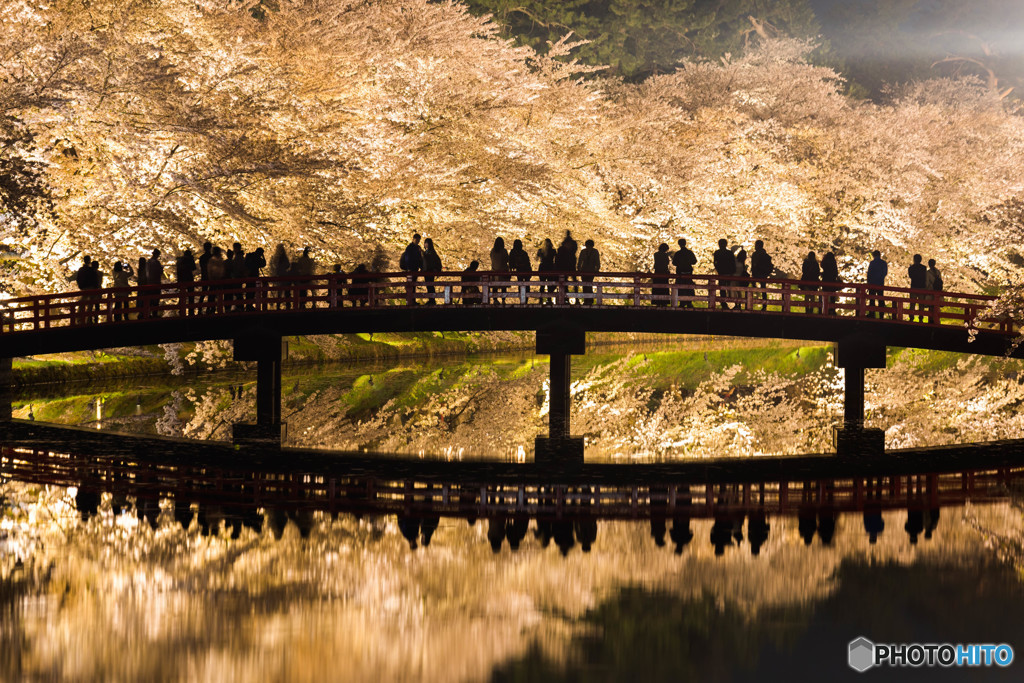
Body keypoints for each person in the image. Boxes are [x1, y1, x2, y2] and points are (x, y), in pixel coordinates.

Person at [399, 233, 424, 305]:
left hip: (415, 269)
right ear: (413, 239)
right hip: (411, 269)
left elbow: (419, 259)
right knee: (410, 285)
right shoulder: (409, 248)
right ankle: (410, 300)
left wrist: (421, 267)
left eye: (418, 240)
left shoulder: (417, 248)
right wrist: (409, 268)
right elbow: (408, 258)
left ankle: (412, 300)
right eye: (417, 240)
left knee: (413, 285)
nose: (417, 241)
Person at [672, 238, 697, 308]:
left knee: (680, 287)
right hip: (688, 272)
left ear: (679, 244)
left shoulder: (678, 253)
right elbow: (694, 261)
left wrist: (680, 263)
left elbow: (674, 263)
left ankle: (682, 302)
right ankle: (689, 302)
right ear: (685, 243)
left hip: (680, 272)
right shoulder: (689, 252)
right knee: (689, 287)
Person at [712, 238, 736, 309]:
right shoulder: (729, 253)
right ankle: (735, 303)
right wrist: (732, 272)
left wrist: (718, 270)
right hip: (728, 273)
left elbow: (715, 263)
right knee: (729, 288)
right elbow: (733, 263)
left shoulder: (717, 253)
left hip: (721, 273)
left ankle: (723, 303)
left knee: (722, 288)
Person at [749, 240, 773, 309]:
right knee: (763, 289)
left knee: (752, 289)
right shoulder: (765, 254)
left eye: (755, 245)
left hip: (757, 274)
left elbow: (754, 265)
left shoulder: (756, 254)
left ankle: (749, 305)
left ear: (758, 245)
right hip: (764, 274)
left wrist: (753, 274)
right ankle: (764, 305)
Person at [577, 239, 600, 304]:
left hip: (585, 270)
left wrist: (579, 269)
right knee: (589, 284)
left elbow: (580, 262)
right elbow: (597, 262)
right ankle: (589, 299)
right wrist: (597, 269)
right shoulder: (595, 252)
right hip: (590, 270)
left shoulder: (583, 251)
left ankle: (587, 299)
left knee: (586, 285)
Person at [556, 230, 577, 302]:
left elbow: (558, 257)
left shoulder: (562, 247)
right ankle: (576, 298)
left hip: (564, 265)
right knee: (574, 281)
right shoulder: (574, 245)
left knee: (564, 281)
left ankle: (565, 298)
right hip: (571, 264)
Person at [175, 248, 198, 315]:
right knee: (191, 295)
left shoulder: (179, 260)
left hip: (181, 280)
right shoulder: (189, 259)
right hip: (189, 279)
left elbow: (178, 270)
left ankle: (181, 310)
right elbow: (194, 268)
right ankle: (191, 311)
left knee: (182, 296)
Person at [866, 250, 888, 318]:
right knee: (880, 299)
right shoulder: (883, 263)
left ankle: (872, 314)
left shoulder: (872, 263)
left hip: (872, 283)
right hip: (880, 283)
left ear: (873, 255)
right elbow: (885, 273)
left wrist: (869, 282)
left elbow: (869, 274)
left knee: (872, 299)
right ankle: (881, 315)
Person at [509, 238, 532, 303]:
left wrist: (513, 267)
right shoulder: (524, 253)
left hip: (520, 271)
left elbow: (511, 262)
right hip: (527, 270)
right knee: (527, 285)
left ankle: (522, 299)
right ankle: (526, 299)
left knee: (520, 284)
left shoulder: (513, 252)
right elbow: (527, 262)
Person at [422, 238, 443, 305]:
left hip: (429, 271)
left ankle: (432, 300)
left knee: (430, 285)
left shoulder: (431, 252)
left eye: (426, 243)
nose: (425, 244)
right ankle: (431, 299)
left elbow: (431, 261)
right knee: (429, 285)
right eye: (425, 243)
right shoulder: (428, 252)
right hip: (428, 271)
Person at [907, 254, 927, 322]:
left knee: (912, 303)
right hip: (922, 287)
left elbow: (910, 276)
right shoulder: (924, 268)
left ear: (914, 259)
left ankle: (911, 317)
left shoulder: (911, 268)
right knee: (921, 304)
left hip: (914, 287)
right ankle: (921, 318)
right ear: (920, 260)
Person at [489, 237, 509, 304]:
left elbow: (491, 259)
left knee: (494, 287)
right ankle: (503, 300)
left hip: (494, 271)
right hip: (503, 271)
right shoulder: (504, 251)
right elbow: (506, 260)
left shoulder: (492, 251)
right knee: (503, 287)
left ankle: (495, 300)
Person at [536, 238, 556, 304]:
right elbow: (556, 259)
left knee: (542, 284)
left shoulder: (540, 251)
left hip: (542, 268)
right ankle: (549, 299)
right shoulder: (553, 251)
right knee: (550, 284)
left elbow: (536, 258)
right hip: (550, 267)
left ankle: (541, 299)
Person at [145, 249, 164, 317]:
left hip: (149, 283)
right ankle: (154, 314)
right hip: (156, 283)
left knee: (150, 299)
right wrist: (162, 268)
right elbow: (159, 272)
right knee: (156, 299)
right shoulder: (156, 263)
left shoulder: (148, 262)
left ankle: (148, 313)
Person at [925, 258, 943, 324]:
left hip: (931, 291)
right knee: (937, 307)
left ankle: (931, 320)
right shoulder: (938, 272)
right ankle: (937, 320)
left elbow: (926, 283)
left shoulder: (928, 273)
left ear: (929, 264)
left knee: (931, 306)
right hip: (938, 292)